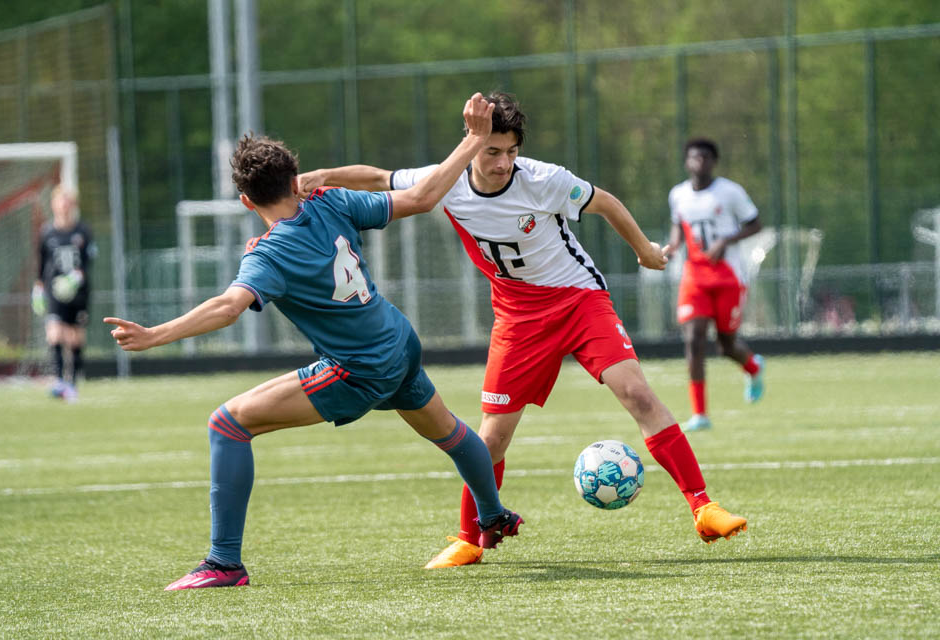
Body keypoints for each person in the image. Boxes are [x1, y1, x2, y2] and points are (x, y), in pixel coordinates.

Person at [298, 92, 747, 570]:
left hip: (578, 300)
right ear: (472, 146)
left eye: (511, 152)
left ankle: (703, 507)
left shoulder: (544, 180)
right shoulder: (447, 181)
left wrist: (643, 251)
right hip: (516, 318)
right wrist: (325, 176)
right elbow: (379, 178)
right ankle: (470, 540)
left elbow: (607, 203)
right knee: (491, 438)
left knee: (636, 392)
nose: (503, 163)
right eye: (493, 152)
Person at [104, 93, 522, 590]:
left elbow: (227, 307)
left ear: (245, 201)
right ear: (296, 178)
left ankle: (223, 564)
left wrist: (156, 335)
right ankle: (492, 515)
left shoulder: (270, 252)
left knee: (227, 426)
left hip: (359, 368)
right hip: (398, 340)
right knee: (450, 434)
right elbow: (422, 198)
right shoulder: (332, 199)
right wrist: (471, 140)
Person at [667, 138, 765, 432]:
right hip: (694, 278)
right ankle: (700, 415)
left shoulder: (730, 192)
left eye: (707, 157)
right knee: (693, 340)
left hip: (728, 277)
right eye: (695, 157)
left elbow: (755, 223)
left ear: (714, 161)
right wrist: (672, 246)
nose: (700, 162)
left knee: (726, 344)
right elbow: (678, 225)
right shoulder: (678, 195)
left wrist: (726, 240)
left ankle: (753, 367)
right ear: (687, 161)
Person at [33, 185, 96, 402]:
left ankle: (73, 383)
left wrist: (77, 277)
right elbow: (41, 262)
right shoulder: (47, 232)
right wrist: (39, 286)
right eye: (61, 200)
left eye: (68, 201)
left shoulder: (82, 231)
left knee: (75, 337)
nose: (64, 205)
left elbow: (89, 260)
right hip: (54, 291)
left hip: (78, 292)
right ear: (54, 204)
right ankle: (59, 380)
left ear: (73, 205)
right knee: (55, 333)